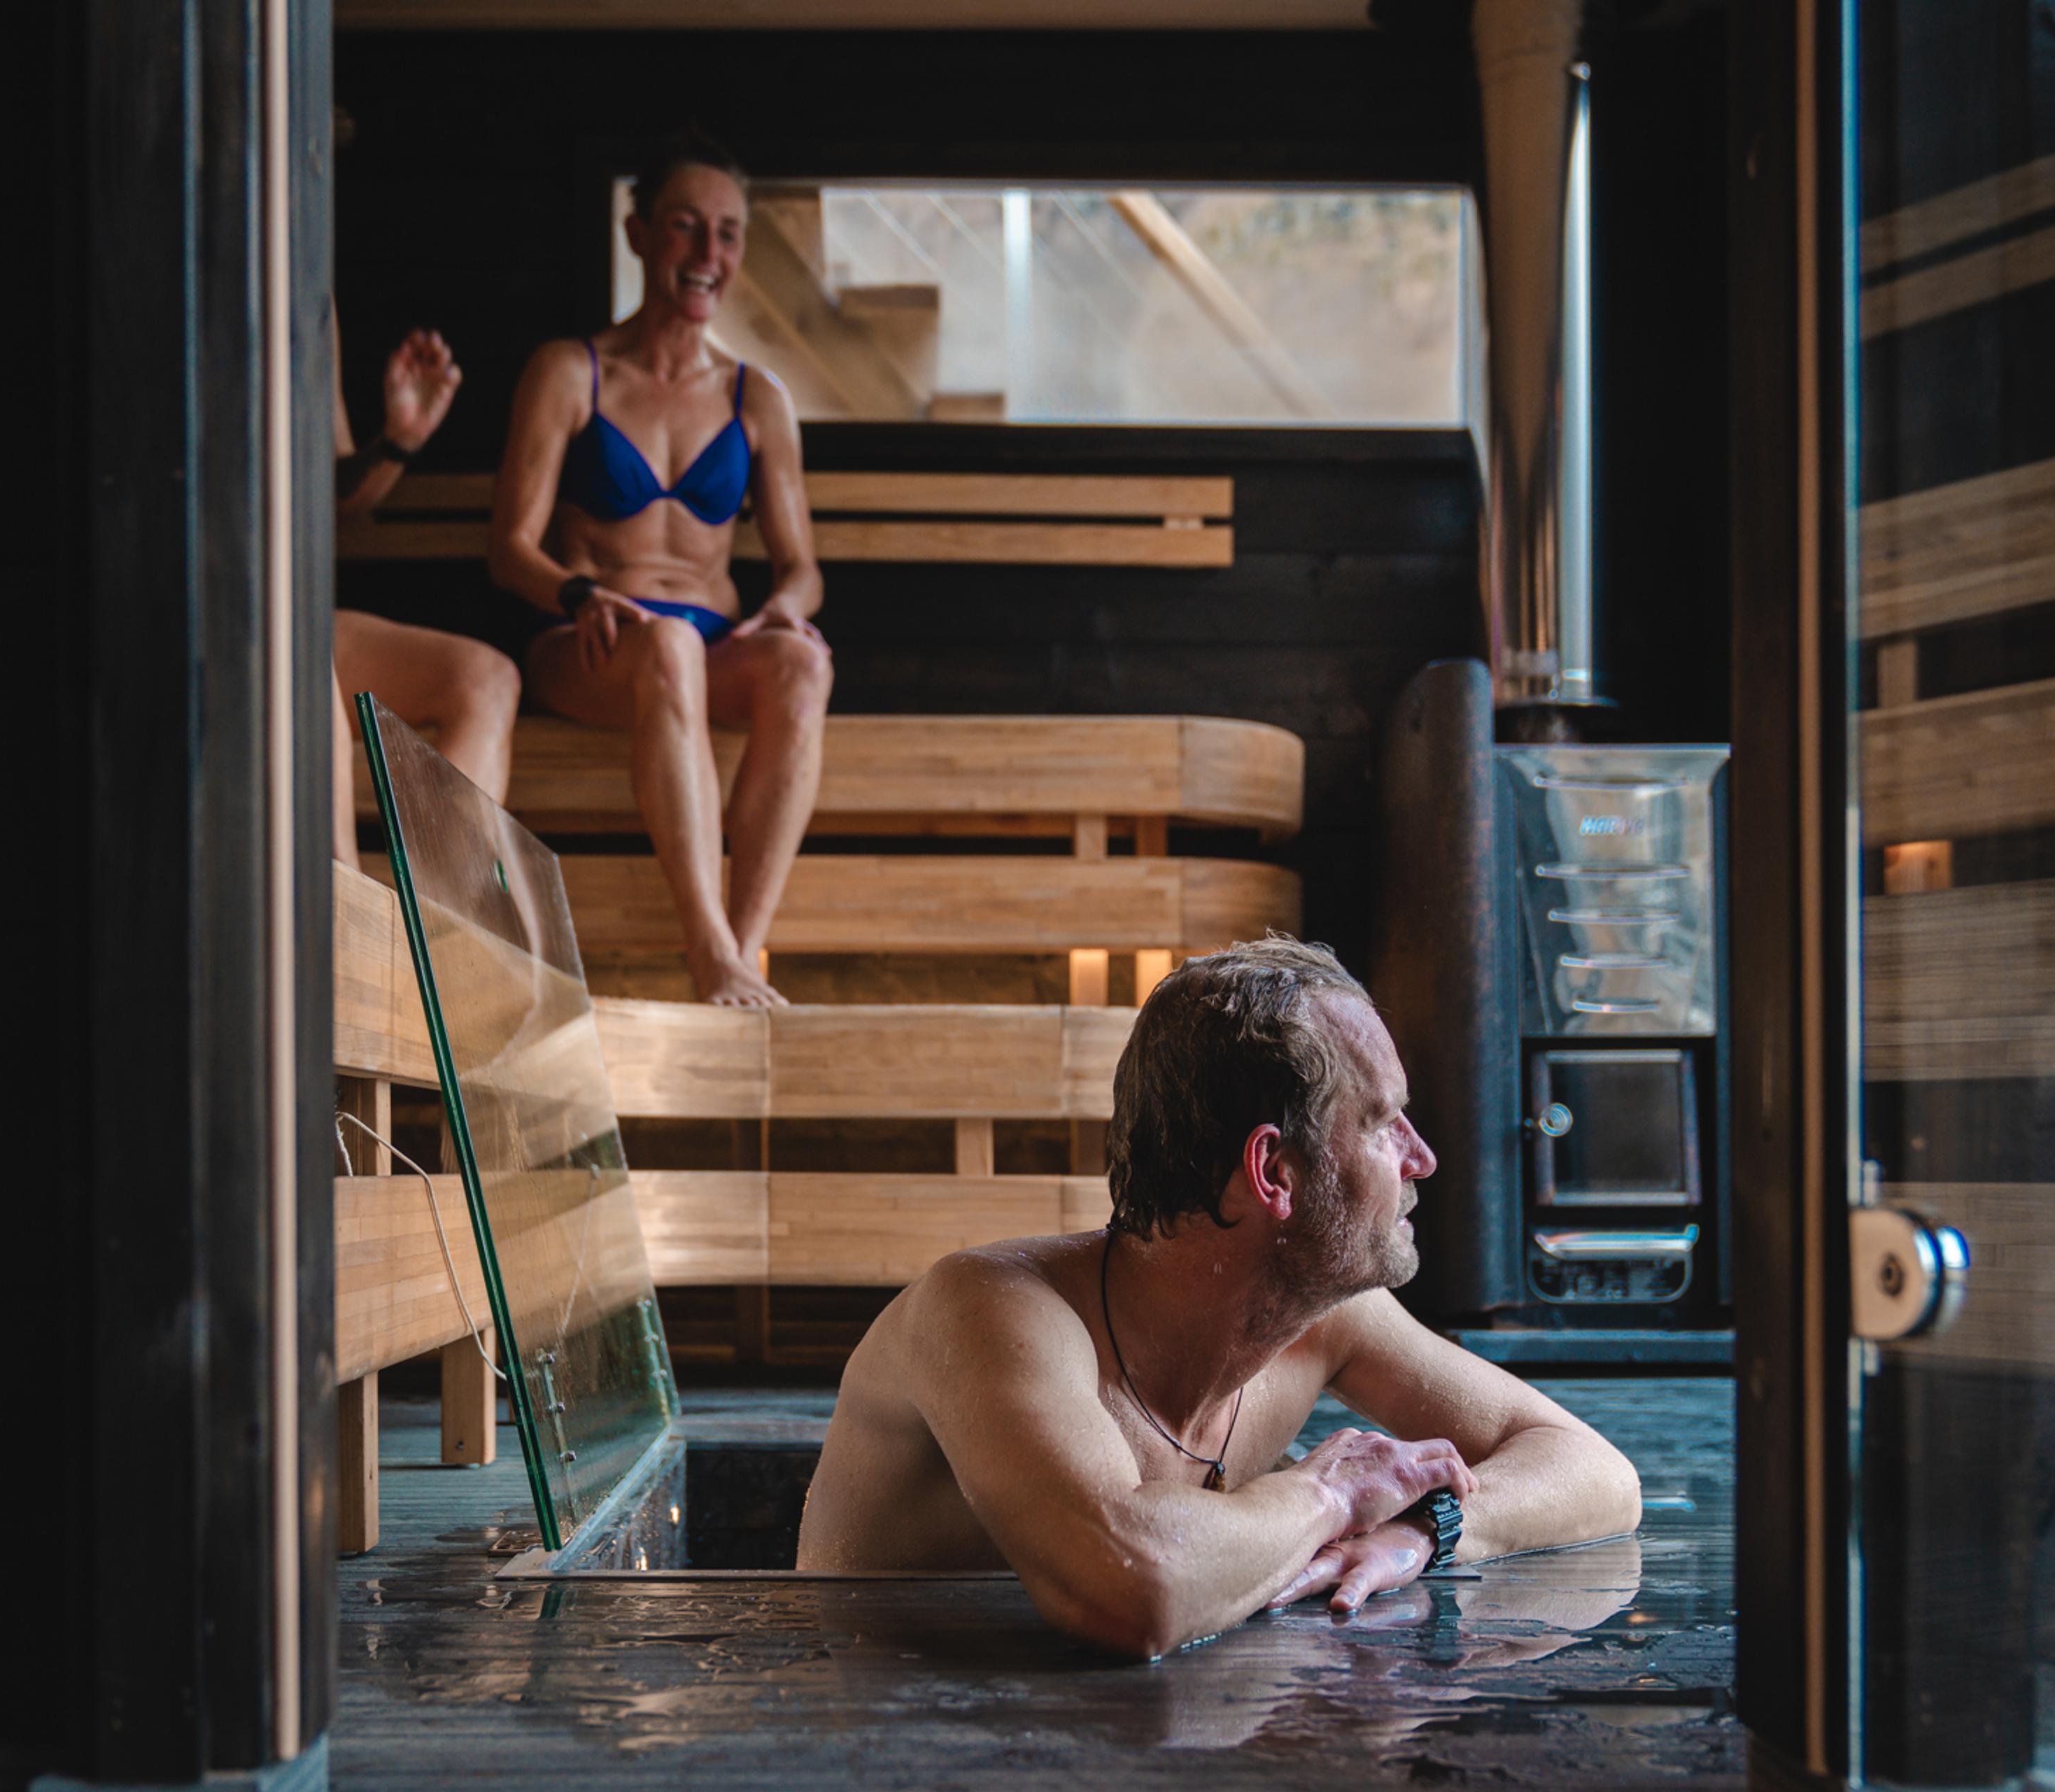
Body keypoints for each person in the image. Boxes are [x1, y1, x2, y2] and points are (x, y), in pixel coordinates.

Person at [796, 938, 1642, 1660]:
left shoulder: (1326, 1318)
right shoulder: (986, 1310)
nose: (1420, 1157)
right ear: (1274, 1171)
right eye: (1384, 1121)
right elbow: (1137, 1587)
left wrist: (1425, 1529)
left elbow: (1597, 1472)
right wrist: (1335, 1493)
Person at [488, 129, 828, 1008]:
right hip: (594, 639)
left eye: (727, 232)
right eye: (685, 227)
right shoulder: (573, 372)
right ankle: (706, 946)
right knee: (670, 646)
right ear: (639, 235)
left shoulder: (759, 397)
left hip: (711, 640)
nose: (707, 253)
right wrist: (577, 590)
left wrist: (783, 612)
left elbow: (801, 568)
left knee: (804, 663)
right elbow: (508, 547)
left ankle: (742, 953)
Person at [329, 322, 523, 865]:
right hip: (209, 604)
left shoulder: (309, 288)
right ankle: (342, 923)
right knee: (304, 669)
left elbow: (340, 493)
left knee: (487, 679)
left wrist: (398, 441)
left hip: (298, 612)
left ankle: (431, 930)